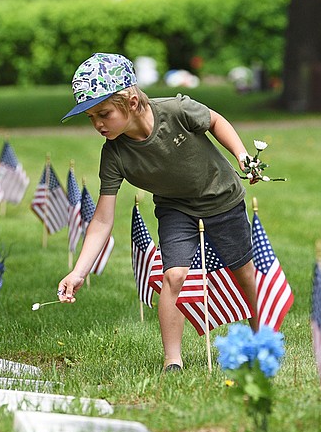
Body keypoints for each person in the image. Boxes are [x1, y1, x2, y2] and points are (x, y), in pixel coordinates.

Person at [57, 52, 259, 372]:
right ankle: (172, 361)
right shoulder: (114, 155)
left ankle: (261, 339)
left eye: (104, 113)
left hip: (222, 198)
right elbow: (103, 218)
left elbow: (216, 120)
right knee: (173, 275)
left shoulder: (176, 110)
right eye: (91, 117)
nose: (97, 124)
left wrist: (242, 155)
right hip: (175, 207)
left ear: (132, 103)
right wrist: (79, 271)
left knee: (243, 271)